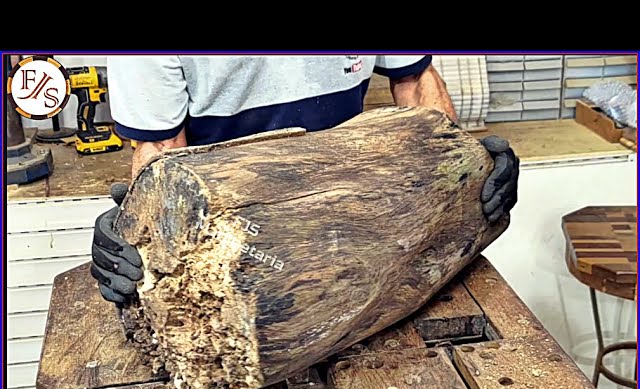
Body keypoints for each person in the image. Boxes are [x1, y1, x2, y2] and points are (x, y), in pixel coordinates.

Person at [91, 55, 519, 303]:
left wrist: (465, 169)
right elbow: (162, 151)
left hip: (358, 224)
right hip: (236, 241)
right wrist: (140, 232)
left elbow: (413, 79)